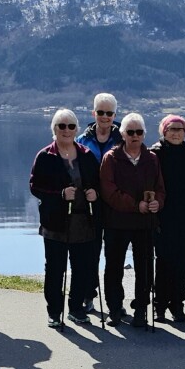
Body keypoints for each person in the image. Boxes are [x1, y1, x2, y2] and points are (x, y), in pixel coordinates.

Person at [30, 109, 101, 328]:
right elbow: (35, 187)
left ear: (77, 129)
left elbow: (98, 183)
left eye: (71, 126)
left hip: (83, 222)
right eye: (62, 126)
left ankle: (76, 309)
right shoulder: (45, 156)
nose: (66, 130)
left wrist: (94, 193)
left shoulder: (87, 155)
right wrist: (59, 194)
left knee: (82, 267)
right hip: (54, 223)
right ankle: (54, 311)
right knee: (54, 269)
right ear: (54, 129)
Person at [99, 113, 166, 327]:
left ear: (144, 134)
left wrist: (158, 204)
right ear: (122, 134)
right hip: (117, 222)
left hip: (145, 224)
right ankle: (115, 309)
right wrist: (134, 205)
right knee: (114, 268)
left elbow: (160, 190)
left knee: (145, 269)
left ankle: (140, 310)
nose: (135, 136)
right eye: (130, 132)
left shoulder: (152, 159)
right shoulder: (111, 158)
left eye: (138, 132)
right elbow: (108, 191)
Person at [76, 93, 123, 312]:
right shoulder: (81, 140)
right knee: (90, 253)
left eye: (109, 113)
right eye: (101, 112)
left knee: (114, 256)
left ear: (115, 114)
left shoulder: (123, 139)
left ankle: (115, 302)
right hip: (89, 206)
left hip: (116, 207)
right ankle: (88, 296)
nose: (105, 117)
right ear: (94, 113)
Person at [150, 115, 185, 322]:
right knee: (163, 262)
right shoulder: (154, 155)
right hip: (162, 218)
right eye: (172, 129)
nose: (176, 133)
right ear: (164, 131)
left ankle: (177, 304)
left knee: (182, 263)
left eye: (180, 129)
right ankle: (160, 304)